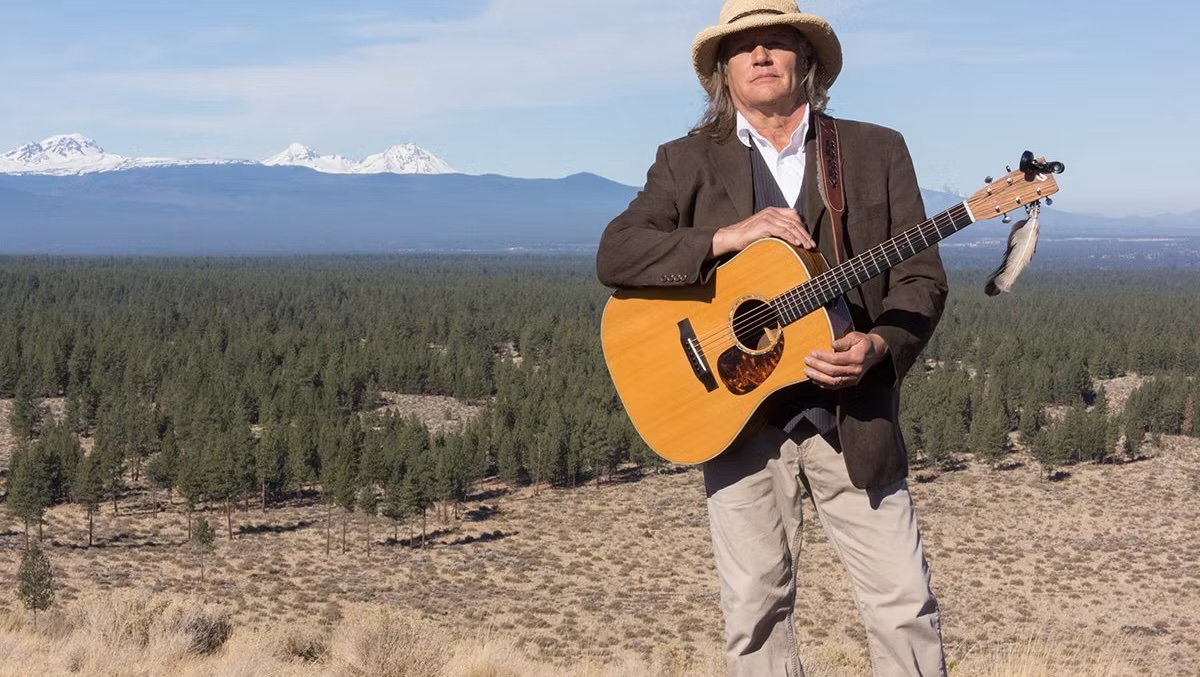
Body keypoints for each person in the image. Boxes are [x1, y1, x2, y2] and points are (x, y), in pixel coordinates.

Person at [595, 1, 949, 675]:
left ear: (808, 61)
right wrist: (728, 237)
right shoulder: (685, 162)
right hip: (737, 419)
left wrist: (878, 348)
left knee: (903, 601)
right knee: (755, 610)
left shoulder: (876, 150)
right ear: (722, 72)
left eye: (777, 42)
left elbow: (921, 280)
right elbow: (617, 253)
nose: (760, 55)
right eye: (743, 46)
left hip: (854, 417)